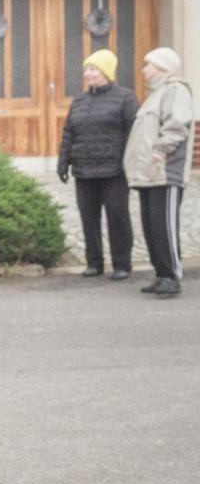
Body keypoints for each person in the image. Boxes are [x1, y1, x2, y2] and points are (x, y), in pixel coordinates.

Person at [57, 49, 138, 279]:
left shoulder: (125, 98)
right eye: (86, 69)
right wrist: (63, 161)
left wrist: (128, 163)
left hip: (114, 171)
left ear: (106, 71)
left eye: (93, 69)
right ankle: (94, 262)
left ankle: (122, 264)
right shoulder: (80, 100)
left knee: (117, 218)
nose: (87, 74)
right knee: (89, 219)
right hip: (84, 170)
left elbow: (134, 133)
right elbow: (69, 132)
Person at [124, 47, 195, 298]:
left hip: (165, 172)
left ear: (163, 67)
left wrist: (159, 152)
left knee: (164, 226)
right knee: (152, 226)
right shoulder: (155, 95)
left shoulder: (176, 90)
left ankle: (171, 276)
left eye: (148, 65)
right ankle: (161, 273)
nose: (144, 70)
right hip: (148, 174)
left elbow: (177, 126)